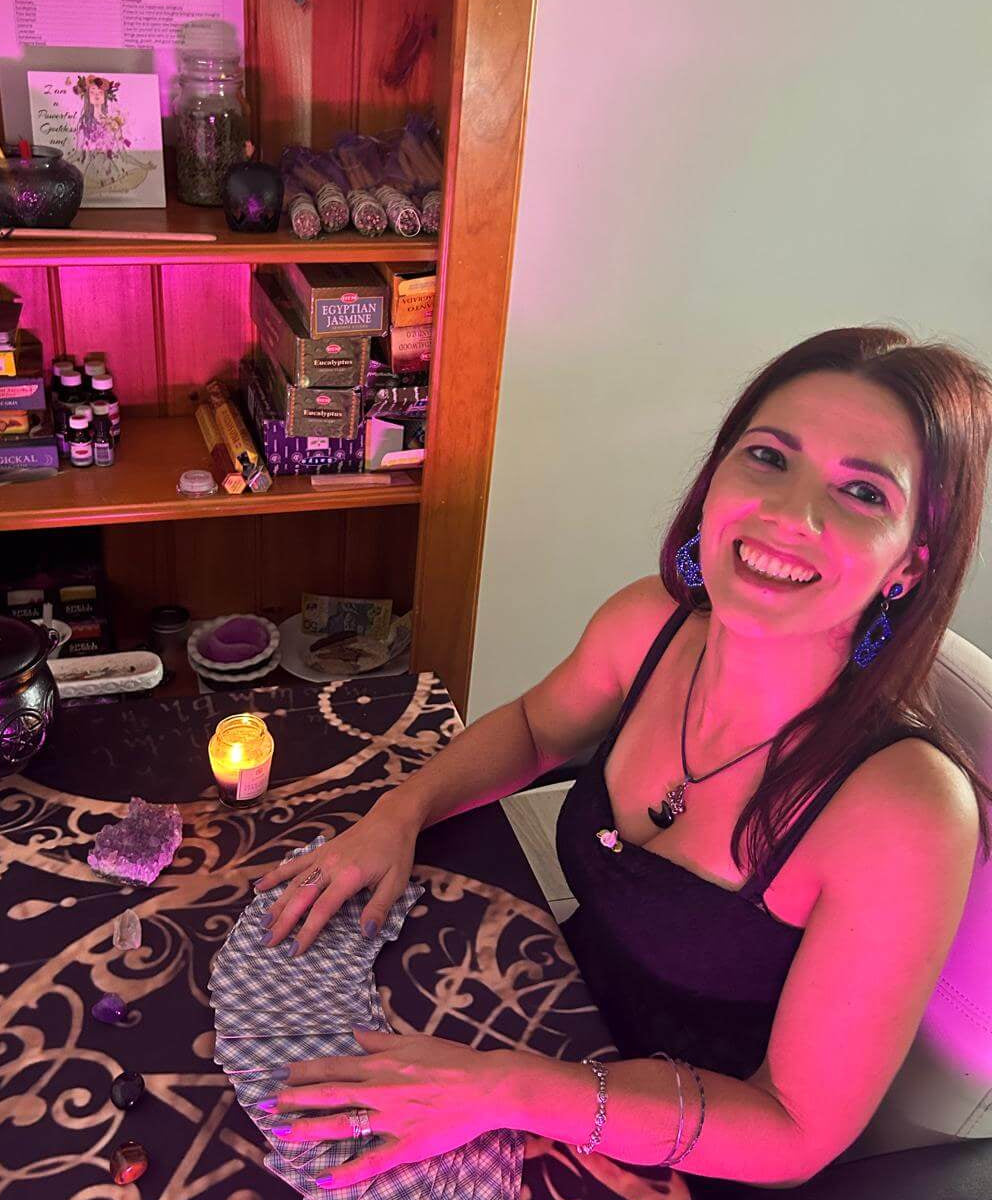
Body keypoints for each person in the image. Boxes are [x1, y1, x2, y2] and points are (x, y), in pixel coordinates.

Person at [249, 327, 992, 1196]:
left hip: (687, 1142)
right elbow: (534, 729)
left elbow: (793, 1129)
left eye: (863, 491)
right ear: (716, 477)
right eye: (767, 457)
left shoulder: (905, 810)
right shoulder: (652, 624)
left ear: (909, 565)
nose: (791, 514)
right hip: (544, 1018)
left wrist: (514, 1092)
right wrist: (397, 816)